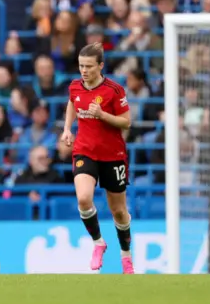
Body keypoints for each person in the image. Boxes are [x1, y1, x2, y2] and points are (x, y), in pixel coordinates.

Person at [60, 42, 134, 274]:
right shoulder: (75, 87)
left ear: (101, 66)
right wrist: (67, 128)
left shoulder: (114, 90)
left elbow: (126, 121)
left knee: (119, 211)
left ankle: (126, 256)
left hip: (113, 155)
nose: (84, 70)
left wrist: (102, 114)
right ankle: (98, 242)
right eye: (81, 66)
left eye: (89, 66)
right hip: (85, 150)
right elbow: (73, 103)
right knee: (83, 198)